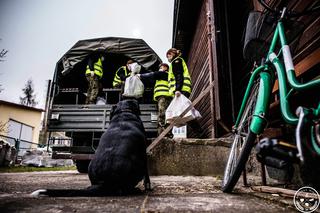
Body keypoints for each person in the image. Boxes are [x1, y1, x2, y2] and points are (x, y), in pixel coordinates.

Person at [166, 48, 205, 138]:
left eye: (169, 54)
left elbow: (179, 75)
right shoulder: (177, 61)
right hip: (182, 90)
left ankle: (201, 134)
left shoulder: (177, 61)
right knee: (184, 112)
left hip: (181, 90)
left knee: (184, 112)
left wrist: (177, 90)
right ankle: (200, 134)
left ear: (173, 53)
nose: (168, 57)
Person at [138, 63, 172, 135]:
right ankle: (165, 133)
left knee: (162, 114)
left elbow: (152, 75)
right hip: (164, 96)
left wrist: (140, 75)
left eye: (161, 67)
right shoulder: (163, 76)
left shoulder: (164, 74)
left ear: (166, 68)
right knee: (165, 114)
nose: (160, 68)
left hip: (164, 96)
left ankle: (164, 133)